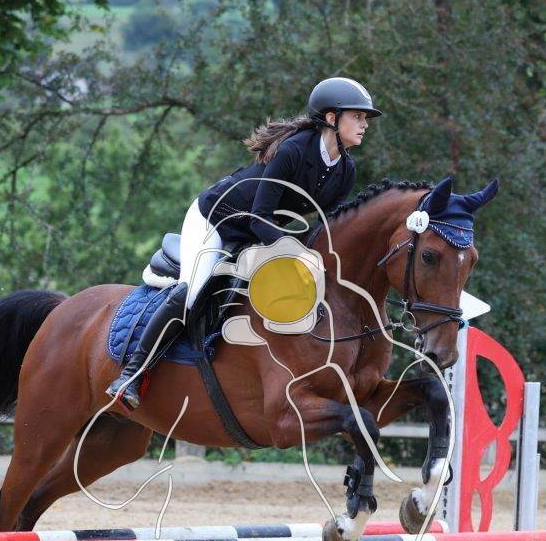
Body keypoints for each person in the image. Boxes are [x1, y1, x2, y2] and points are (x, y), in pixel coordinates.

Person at [106, 77, 381, 409]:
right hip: (215, 220)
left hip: (255, 234)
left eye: (365, 118)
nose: (365, 125)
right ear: (331, 118)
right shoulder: (294, 151)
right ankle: (131, 375)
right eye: (357, 116)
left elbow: (327, 228)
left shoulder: (345, 170)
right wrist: (297, 251)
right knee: (192, 291)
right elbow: (258, 217)